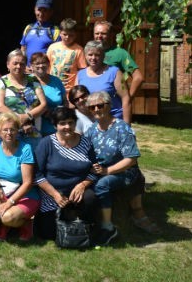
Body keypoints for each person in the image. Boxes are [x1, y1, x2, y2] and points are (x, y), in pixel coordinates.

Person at [85, 91, 160, 245]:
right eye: (92, 107)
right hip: (101, 170)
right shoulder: (91, 130)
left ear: (109, 106)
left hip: (125, 172)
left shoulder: (122, 128)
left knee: (102, 184)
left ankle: (107, 226)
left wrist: (107, 171)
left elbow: (131, 158)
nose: (97, 109)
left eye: (100, 105)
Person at [34, 107, 98, 240]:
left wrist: (83, 185)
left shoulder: (86, 143)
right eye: (62, 123)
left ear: (75, 123)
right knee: (49, 235)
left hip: (78, 192)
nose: (67, 127)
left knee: (90, 198)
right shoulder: (46, 143)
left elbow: (95, 170)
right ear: (55, 125)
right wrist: (55, 195)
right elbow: (37, 174)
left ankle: (85, 226)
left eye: (70, 122)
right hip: (52, 193)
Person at [0, 112, 40, 241]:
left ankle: (24, 223)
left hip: (25, 195)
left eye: (12, 129)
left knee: (8, 217)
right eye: (5, 130)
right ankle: (6, 224)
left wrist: (9, 202)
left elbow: (28, 183)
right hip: (4, 191)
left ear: (17, 130)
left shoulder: (25, 148)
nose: (9, 133)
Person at [0, 49, 48, 144]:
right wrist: (18, 120)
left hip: (31, 130)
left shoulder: (33, 80)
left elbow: (44, 105)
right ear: (8, 64)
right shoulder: (0, 82)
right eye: (15, 63)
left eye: (22, 64)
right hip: (8, 131)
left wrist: (27, 116)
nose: (18, 66)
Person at [77, 40, 131, 124]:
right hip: (89, 122)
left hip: (113, 120)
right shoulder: (80, 74)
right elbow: (76, 99)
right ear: (85, 56)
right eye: (90, 55)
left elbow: (125, 97)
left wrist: (127, 126)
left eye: (97, 55)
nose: (93, 58)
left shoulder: (114, 72)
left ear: (103, 56)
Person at [93, 20, 144, 100]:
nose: (99, 36)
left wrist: (128, 99)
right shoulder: (89, 53)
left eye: (103, 33)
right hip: (93, 104)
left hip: (113, 106)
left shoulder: (120, 53)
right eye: (97, 33)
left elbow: (138, 78)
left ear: (111, 35)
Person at [46, 18, 87, 91]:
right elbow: (46, 65)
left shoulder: (79, 50)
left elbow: (82, 70)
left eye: (71, 35)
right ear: (60, 33)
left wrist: (78, 86)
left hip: (69, 89)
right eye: (65, 34)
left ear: (75, 35)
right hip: (52, 87)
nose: (67, 37)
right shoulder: (52, 47)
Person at [31, 52, 67, 136]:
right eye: (37, 63)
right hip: (34, 129)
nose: (41, 66)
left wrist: (60, 114)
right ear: (32, 66)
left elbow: (65, 101)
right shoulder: (29, 82)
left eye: (43, 62)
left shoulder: (56, 81)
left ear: (48, 64)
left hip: (57, 128)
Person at [19, 0, 60, 65]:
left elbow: (57, 53)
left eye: (45, 11)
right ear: (35, 10)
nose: (41, 14)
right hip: (27, 71)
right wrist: (24, 66)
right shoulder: (28, 28)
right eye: (39, 10)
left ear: (51, 12)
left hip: (43, 71)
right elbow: (23, 49)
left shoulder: (55, 30)